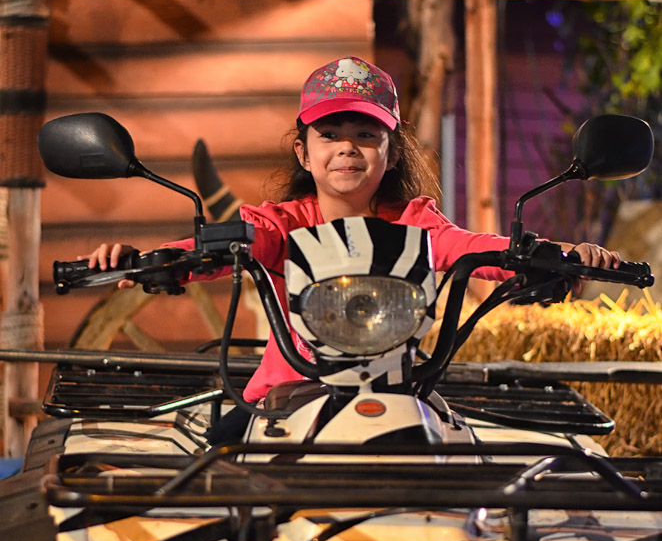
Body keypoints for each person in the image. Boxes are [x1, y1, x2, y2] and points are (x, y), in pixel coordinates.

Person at [86, 55, 620, 425]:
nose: (347, 148)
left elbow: (471, 247)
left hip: (400, 396)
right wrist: (150, 260)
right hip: (282, 401)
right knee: (215, 483)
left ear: (393, 152)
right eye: (330, 135)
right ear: (303, 152)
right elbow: (235, 242)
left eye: (366, 135)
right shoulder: (281, 223)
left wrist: (561, 256)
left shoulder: (414, 222)